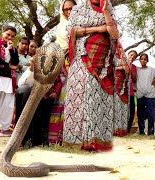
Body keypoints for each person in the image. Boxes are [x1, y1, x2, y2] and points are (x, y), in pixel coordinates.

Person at [63, 0, 123, 152]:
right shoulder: (78, 9)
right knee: (84, 97)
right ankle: (79, 141)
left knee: (99, 101)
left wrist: (105, 13)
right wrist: (98, 29)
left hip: (104, 64)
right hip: (82, 59)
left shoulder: (108, 8)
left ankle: (97, 141)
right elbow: (70, 32)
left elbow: (114, 35)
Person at [48, 0, 76, 145]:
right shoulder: (60, 27)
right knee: (61, 98)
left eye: (72, 8)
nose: (69, 11)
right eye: (66, 9)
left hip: (79, 65)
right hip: (62, 65)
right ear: (62, 10)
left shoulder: (82, 24)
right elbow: (59, 46)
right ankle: (56, 137)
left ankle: (72, 137)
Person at [0, 25, 19, 137]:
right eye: (8, 34)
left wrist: (10, 50)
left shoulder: (13, 48)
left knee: (7, 104)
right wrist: (8, 66)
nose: (10, 37)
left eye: (12, 36)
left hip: (8, 79)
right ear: (2, 32)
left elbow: (16, 62)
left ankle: (4, 129)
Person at [136, 53, 155, 135]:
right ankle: (141, 131)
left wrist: (153, 81)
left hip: (150, 94)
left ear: (147, 61)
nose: (143, 61)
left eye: (145, 59)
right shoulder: (137, 70)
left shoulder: (151, 70)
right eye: (141, 59)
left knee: (150, 113)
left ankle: (151, 132)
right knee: (140, 114)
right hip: (140, 94)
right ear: (139, 60)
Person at [126, 50, 138, 133]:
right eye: (131, 55)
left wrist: (130, 66)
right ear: (127, 55)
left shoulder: (134, 67)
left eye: (134, 57)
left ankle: (128, 129)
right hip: (121, 91)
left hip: (130, 92)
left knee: (132, 111)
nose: (132, 57)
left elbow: (134, 79)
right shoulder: (120, 62)